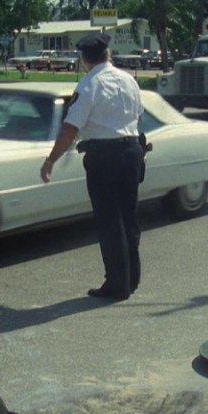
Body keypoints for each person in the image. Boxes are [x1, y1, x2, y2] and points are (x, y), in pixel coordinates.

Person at [39, 33, 144, 301]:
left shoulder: (89, 85)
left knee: (110, 222)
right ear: (107, 54)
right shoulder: (129, 80)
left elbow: (70, 129)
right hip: (132, 151)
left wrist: (51, 160)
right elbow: (137, 116)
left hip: (104, 156)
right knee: (128, 217)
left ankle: (117, 284)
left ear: (85, 59)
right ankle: (131, 278)